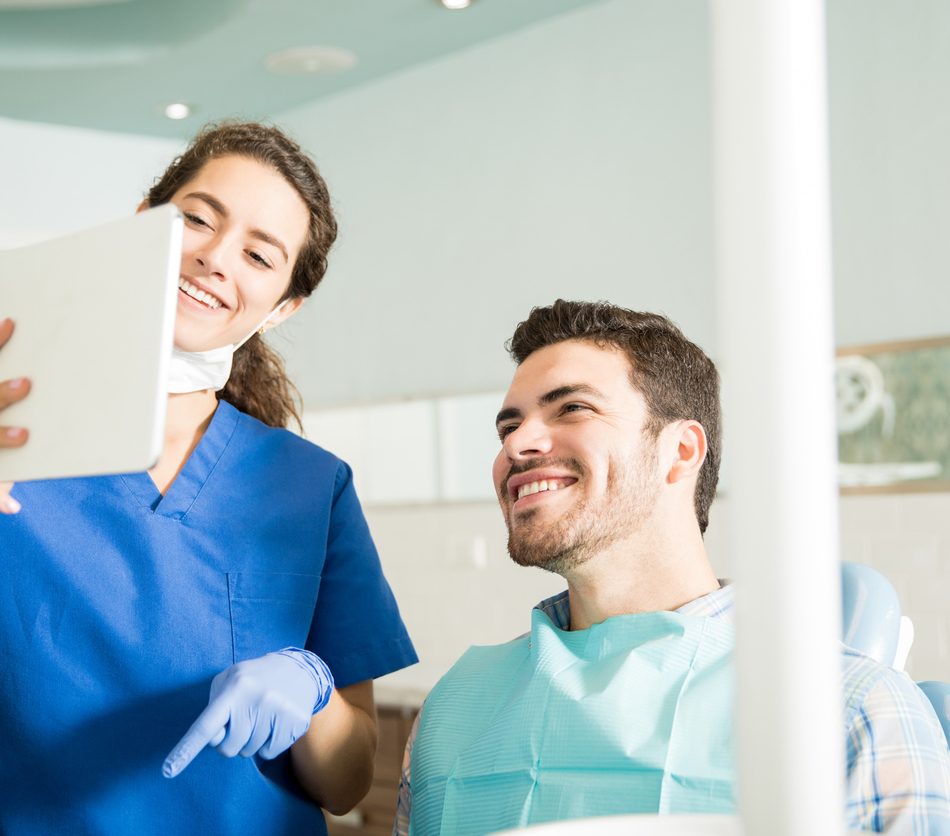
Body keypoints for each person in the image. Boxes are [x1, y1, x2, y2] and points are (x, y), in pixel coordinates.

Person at [394, 299, 950, 835]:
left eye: (572, 408)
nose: (517, 443)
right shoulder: (450, 713)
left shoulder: (851, 710)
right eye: (507, 427)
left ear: (682, 450)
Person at [0, 121, 417, 835]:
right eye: (196, 219)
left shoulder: (310, 486)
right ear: (142, 224)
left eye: (259, 254)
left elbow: (348, 783)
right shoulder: (15, 432)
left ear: (283, 306)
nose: (214, 259)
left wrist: (314, 696)